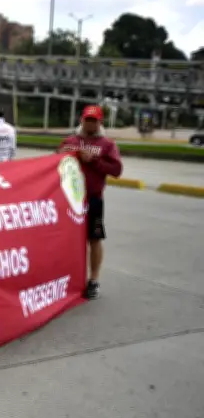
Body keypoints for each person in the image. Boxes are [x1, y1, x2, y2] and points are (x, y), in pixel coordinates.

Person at [58, 105, 123, 299]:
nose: (90, 124)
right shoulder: (70, 141)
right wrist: (61, 154)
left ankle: (94, 279)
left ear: (100, 122)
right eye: (88, 120)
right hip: (69, 199)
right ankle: (67, 276)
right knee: (67, 239)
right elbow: (54, 164)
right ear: (82, 120)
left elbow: (116, 170)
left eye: (94, 121)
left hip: (93, 199)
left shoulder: (107, 145)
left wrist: (94, 161)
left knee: (94, 238)